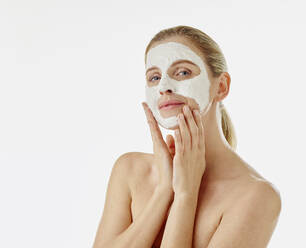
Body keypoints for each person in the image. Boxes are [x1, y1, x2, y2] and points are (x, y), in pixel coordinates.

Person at [93, 25, 282, 248]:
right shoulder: (129, 170)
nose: (163, 87)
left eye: (182, 72)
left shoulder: (255, 196)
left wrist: (185, 195)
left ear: (221, 87)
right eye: (154, 77)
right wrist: (164, 191)